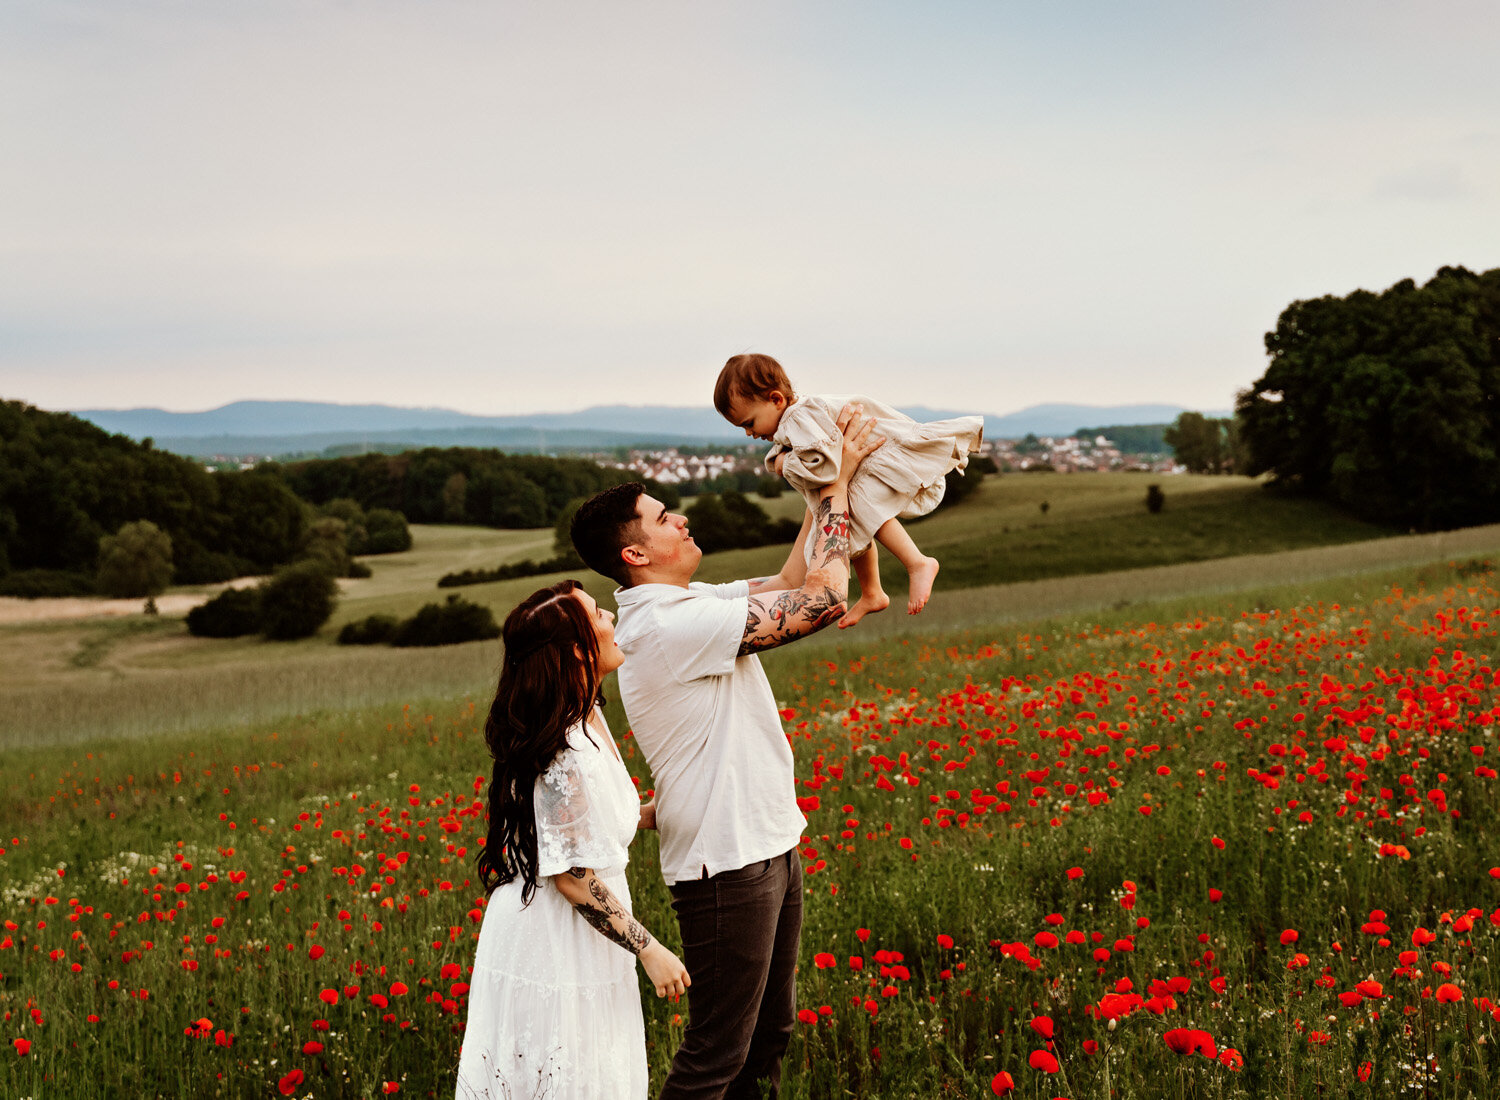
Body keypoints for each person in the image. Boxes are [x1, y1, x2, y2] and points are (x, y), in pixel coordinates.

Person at [569, 405, 882, 1100]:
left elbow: (788, 580)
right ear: (635, 555)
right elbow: (823, 600)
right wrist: (836, 492)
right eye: (662, 518)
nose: (680, 519)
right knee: (716, 1055)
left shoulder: (687, 604)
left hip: (767, 838)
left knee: (768, 1039)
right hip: (724, 861)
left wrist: (819, 482)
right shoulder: (663, 628)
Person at [455, 580, 690, 1100]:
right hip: (554, 938)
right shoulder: (563, 750)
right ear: (578, 651)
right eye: (600, 615)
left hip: (584, 936)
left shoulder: (587, 715)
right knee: (567, 1076)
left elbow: (599, 822)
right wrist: (650, 950)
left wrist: (684, 806)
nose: (612, 618)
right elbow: (572, 876)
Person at [713, 352, 984, 626]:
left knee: (859, 510)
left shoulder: (798, 418)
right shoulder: (795, 415)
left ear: (776, 399)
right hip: (861, 464)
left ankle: (917, 562)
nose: (749, 433)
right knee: (853, 524)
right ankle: (872, 592)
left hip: (869, 461)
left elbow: (824, 465)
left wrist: (782, 463)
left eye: (749, 423)